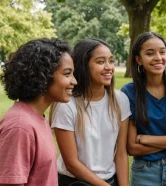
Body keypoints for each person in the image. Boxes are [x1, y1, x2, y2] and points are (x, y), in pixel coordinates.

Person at [50, 38, 131, 186]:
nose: (109, 67)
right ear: (83, 66)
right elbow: (71, 163)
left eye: (111, 61)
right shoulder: (66, 105)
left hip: (110, 181)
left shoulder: (121, 100)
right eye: (100, 62)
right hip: (75, 182)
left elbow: (121, 153)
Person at [0, 38, 76, 185]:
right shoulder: (20, 127)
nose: (74, 81)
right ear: (42, 75)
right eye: (67, 74)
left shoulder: (37, 117)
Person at [121, 32, 166, 186]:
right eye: (150, 53)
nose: (158, 57)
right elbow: (132, 148)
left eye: (162, 52)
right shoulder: (129, 92)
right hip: (144, 172)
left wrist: (144, 139)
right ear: (138, 59)